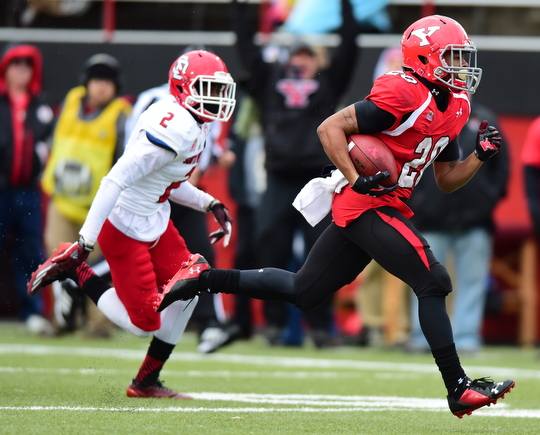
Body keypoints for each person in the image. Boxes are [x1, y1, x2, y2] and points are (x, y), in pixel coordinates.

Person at [155, 15, 516, 417]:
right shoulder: (404, 93)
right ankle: (458, 387)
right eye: (452, 57)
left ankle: (201, 277)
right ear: (425, 59)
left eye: (463, 58)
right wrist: (354, 178)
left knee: (303, 292)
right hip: (365, 203)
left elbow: (447, 178)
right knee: (433, 279)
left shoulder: (457, 105)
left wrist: (479, 157)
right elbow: (330, 128)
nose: (461, 67)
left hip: (385, 204)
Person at [28, 50, 237, 398]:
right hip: (123, 226)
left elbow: (166, 183)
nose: (215, 99)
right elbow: (114, 180)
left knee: (191, 286)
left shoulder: (192, 124)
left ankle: (145, 382)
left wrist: (208, 202)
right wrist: (84, 243)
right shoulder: (176, 128)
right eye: (207, 89)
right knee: (143, 326)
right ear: (184, 88)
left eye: (219, 90)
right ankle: (75, 271)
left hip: (154, 218)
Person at [232, 0, 361, 347]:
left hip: (318, 179)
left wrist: (346, 8)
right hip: (278, 177)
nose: (301, 59)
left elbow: (350, 44)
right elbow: (245, 45)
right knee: (269, 245)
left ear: (319, 59)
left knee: (322, 253)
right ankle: (272, 324)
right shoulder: (268, 78)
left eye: (308, 54)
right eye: (296, 54)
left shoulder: (328, 83)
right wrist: (241, 8)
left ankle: (321, 328)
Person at [124, 66, 240, 354]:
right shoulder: (154, 104)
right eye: (206, 83)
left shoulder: (202, 111)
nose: (213, 93)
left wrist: (206, 195)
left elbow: (202, 155)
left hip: (179, 192)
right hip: (150, 196)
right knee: (133, 255)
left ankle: (209, 324)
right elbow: (133, 153)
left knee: (199, 257)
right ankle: (79, 276)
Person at [41, 53, 132, 337]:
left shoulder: (121, 116)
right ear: (87, 82)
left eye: (107, 81)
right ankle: (64, 317)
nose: (101, 87)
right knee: (56, 263)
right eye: (96, 80)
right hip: (63, 201)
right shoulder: (71, 102)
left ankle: (99, 324)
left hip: (100, 207)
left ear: (116, 86)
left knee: (99, 267)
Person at [407, 103, 509, 354]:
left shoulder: (484, 119)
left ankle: (466, 336)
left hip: (475, 218)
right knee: (424, 280)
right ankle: (422, 336)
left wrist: (488, 200)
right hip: (431, 217)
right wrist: (419, 201)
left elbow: (502, 165)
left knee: (473, 281)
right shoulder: (426, 116)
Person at [0, 43, 54, 335]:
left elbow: (49, 146)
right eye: (16, 62)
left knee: (31, 252)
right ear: (5, 68)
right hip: (1, 190)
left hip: (29, 192)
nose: (22, 67)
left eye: (28, 63)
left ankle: (32, 312)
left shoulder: (41, 106)